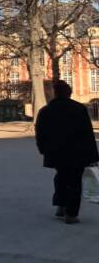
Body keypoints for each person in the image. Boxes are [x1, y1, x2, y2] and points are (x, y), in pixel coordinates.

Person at [35, 80, 99, 224]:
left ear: (55, 93)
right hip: (77, 153)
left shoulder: (45, 111)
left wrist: (43, 149)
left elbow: (40, 133)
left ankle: (61, 205)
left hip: (55, 152)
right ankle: (71, 213)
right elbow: (87, 134)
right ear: (69, 93)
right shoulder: (79, 109)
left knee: (61, 177)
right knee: (75, 182)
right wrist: (93, 155)